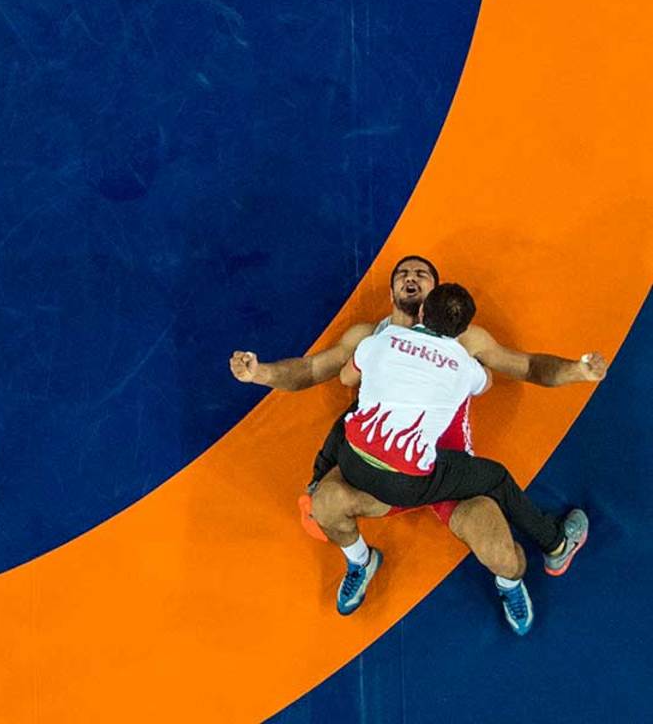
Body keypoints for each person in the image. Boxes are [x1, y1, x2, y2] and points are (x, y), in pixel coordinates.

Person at [230, 255, 607, 633]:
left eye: (421, 274)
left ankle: (509, 583)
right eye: (403, 274)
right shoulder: (369, 337)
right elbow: (311, 370)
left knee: (503, 556)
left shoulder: (467, 339)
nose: (411, 278)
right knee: (325, 504)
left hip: (449, 477)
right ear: (392, 290)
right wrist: (259, 373)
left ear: (433, 294)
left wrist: (577, 370)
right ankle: (361, 562)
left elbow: (527, 367)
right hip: (385, 477)